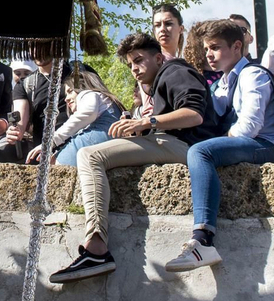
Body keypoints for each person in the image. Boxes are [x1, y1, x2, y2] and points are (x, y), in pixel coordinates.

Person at [49, 32, 215, 283]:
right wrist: (138, 124)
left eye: (138, 61)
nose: (134, 69)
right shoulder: (159, 82)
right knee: (93, 154)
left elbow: (193, 115)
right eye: (130, 65)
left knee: (90, 155)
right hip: (169, 141)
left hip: (186, 147)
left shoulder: (174, 71)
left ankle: (96, 250)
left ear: (158, 58)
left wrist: (147, 121)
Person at [166, 19, 274, 272]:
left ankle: (203, 240)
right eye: (207, 48)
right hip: (248, 143)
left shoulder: (253, 74)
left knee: (201, 151)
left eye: (216, 47)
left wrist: (216, 142)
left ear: (237, 47)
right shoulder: (223, 83)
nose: (209, 54)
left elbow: (249, 127)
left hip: (268, 146)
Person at [26, 67, 125, 167]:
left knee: (55, 163)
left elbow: (85, 115)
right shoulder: (108, 104)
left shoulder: (88, 94)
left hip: (96, 145)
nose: (66, 99)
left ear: (82, 87)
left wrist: (51, 141)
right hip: (110, 148)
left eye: (70, 91)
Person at [134, 2, 186, 116]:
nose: (162, 29)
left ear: (181, 29)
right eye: (157, 25)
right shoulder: (149, 62)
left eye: (168, 23)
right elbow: (149, 108)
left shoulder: (185, 65)